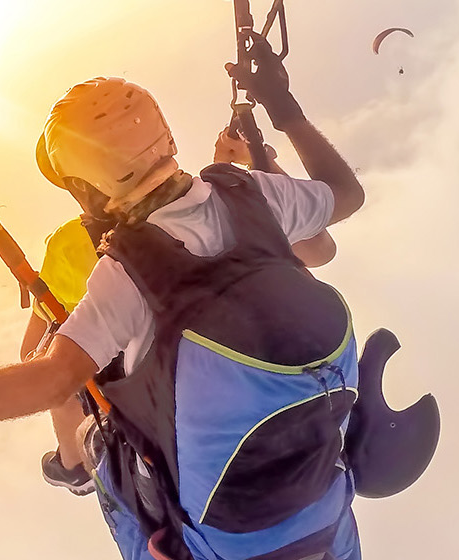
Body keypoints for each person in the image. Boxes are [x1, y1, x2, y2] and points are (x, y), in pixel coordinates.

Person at [0, 38, 370, 560]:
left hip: (229, 541)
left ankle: (82, 474)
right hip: (325, 504)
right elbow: (345, 195)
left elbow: (51, 378)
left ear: (89, 187)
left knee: (105, 444)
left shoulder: (129, 271)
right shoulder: (256, 194)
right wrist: (283, 107)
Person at [31, 126, 341, 560]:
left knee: (85, 422)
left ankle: (74, 466)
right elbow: (319, 249)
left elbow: (38, 362)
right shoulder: (227, 206)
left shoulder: (74, 251)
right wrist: (253, 166)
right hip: (303, 452)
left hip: (181, 465)